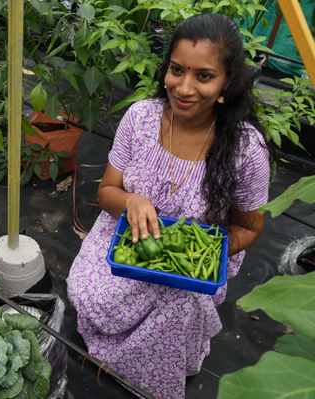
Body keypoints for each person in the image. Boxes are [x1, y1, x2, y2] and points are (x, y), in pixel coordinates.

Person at [66, 13, 273, 399]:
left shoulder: (245, 150)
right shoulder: (141, 118)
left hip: (189, 268)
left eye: (204, 76)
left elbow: (249, 227)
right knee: (92, 294)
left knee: (175, 317)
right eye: (177, 70)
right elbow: (107, 190)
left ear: (228, 81)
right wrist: (131, 199)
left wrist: (202, 254)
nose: (184, 87)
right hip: (127, 239)